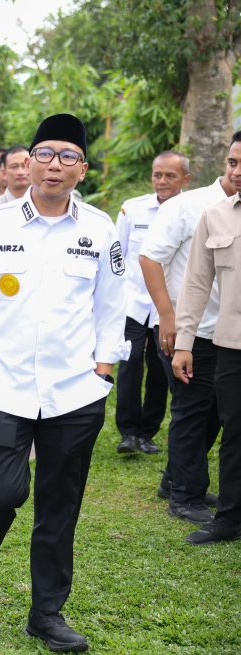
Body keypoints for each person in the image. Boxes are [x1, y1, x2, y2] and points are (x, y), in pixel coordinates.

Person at [0, 114, 126, 653]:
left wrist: (103, 370)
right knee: (1, 492)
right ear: (28, 162)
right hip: (6, 384)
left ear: (82, 170)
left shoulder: (100, 229)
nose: (54, 165)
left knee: (59, 505)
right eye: (45, 154)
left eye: (68, 156)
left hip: (76, 390)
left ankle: (46, 613)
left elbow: (111, 306)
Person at [139, 137, 239, 524]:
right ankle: (185, 494)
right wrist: (169, 317)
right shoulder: (189, 205)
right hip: (189, 332)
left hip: (226, 334)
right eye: (232, 162)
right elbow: (150, 258)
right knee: (192, 411)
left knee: (213, 412)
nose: (236, 171)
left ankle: (176, 478)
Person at [172, 149, 241, 545]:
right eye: (232, 162)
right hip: (231, 346)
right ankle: (229, 519)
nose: (237, 170)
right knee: (234, 434)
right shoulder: (215, 216)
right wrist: (184, 343)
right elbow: (196, 284)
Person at [113, 152, 190, 456]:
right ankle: (128, 432)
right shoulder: (132, 209)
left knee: (160, 367)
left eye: (170, 176)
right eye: (158, 174)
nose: (162, 181)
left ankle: (147, 432)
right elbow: (117, 255)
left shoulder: (191, 211)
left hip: (168, 307)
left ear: (185, 179)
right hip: (132, 303)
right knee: (130, 364)